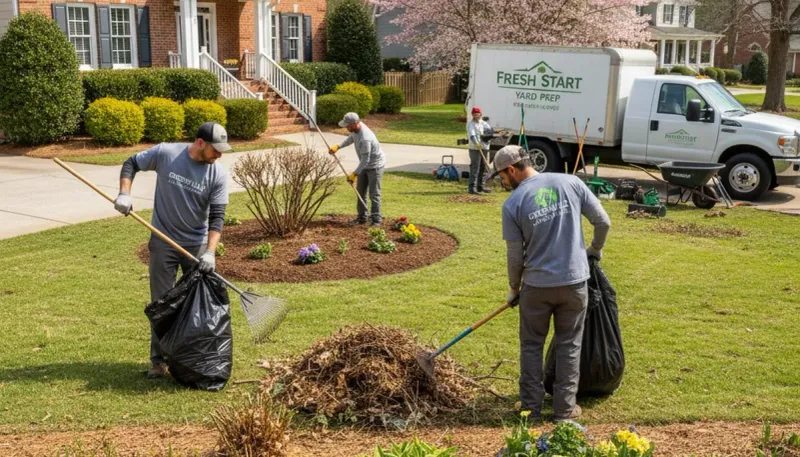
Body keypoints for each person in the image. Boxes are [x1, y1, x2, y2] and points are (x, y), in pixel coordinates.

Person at [492, 145, 611, 422]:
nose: (501, 182)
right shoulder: (572, 182)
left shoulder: (512, 204)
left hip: (536, 287)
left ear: (511, 169)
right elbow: (603, 222)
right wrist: (595, 249)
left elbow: (514, 255)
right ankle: (564, 411)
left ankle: (530, 410)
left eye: (500, 176)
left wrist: (514, 287)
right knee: (569, 345)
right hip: (574, 284)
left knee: (531, 345)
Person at [113, 122, 230, 379]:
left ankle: (195, 361)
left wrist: (209, 252)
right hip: (163, 241)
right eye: (216, 149)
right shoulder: (166, 154)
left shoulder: (217, 174)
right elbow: (130, 163)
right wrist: (124, 194)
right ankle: (158, 362)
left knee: (199, 306)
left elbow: (217, 217)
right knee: (161, 304)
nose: (220, 154)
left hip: (197, 244)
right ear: (200, 142)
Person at [329, 112, 386, 226]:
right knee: (360, 191)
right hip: (364, 165)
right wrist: (338, 146)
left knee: (374, 193)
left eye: (348, 125)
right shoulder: (356, 130)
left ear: (355, 123)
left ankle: (376, 219)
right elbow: (352, 138)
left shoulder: (365, 138)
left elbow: (366, 160)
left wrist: (354, 174)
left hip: (375, 166)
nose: (346, 127)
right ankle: (362, 217)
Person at [466, 106, 493, 194]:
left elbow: (489, 132)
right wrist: (476, 143)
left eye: (478, 115)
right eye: (474, 115)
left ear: (480, 114)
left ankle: (480, 187)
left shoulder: (484, 123)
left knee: (483, 167)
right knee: (475, 168)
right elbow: (472, 135)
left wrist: (489, 135)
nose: (476, 116)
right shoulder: (471, 124)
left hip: (484, 147)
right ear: (472, 115)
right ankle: (472, 188)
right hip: (475, 149)